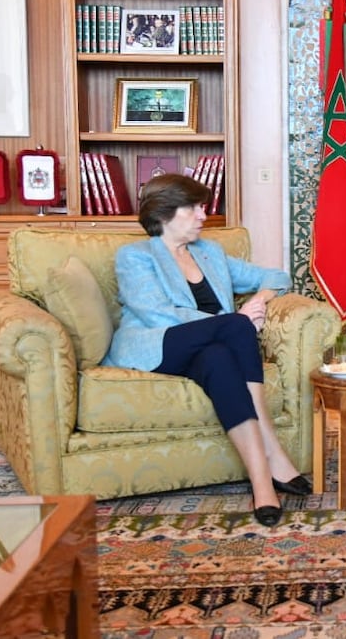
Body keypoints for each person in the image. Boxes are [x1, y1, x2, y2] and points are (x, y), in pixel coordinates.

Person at [103, 174, 310, 527]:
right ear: (166, 212)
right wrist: (237, 320)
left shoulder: (209, 253)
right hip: (159, 344)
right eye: (195, 207)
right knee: (235, 326)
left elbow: (277, 276)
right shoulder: (135, 256)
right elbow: (157, 313)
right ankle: (273, 450)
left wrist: (260, 298)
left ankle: (261, 480)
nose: (204, 214)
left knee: (220, 359)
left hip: (211, 347)